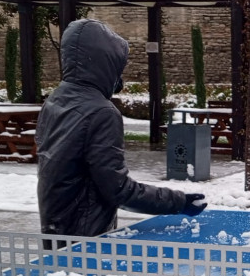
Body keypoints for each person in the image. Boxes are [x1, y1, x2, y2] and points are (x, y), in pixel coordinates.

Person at [36, 19, 206, 237]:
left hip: (54, 224)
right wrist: (179, 201)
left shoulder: (54, 101)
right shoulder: (101, 112)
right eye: (118, 68)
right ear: (104, 64)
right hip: (87, 233)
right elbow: (118, 189)